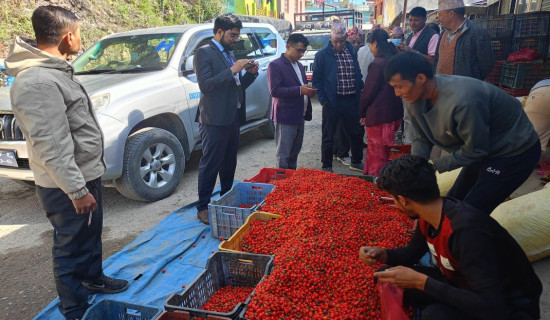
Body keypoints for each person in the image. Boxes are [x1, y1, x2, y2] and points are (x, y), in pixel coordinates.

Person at [5, 6, 129, 320]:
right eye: (79, 34)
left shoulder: (53, 71)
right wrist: (76, 190)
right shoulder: (37, 82)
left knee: (89, 233)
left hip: (83, 174)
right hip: (65, 184)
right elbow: (52, 145)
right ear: (69, 36)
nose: (80, 40)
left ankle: (93, 278)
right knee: (70, 245)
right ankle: (74, 308)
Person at [359, 155, 542, 320]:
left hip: (508, 308)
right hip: (463, 284)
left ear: (403, 200)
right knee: (386, 275)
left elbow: (491, 306)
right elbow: (411, 253)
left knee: (435, 316)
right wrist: (382, 254)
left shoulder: (466, 232)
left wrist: (421, 282)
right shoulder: (431, 214)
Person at [385, 51, 541, 214]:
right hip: (480, 149)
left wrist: (433, 166)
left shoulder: (464, 101)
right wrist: (416, 167)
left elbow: (475, 151)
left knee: (470, 211)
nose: (397, 93)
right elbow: (421, 138)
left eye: (399, 86)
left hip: (514, 151)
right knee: (454, 200)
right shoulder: (414, 98)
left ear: (420, 79)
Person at [194, 14, 259, 224]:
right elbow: (206, 86)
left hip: (232, 117)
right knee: (211, 163)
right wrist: (233, 70)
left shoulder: (230, 54)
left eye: (237, 37)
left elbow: (235, 87)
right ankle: (203, 207)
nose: (235, 40)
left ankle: (225, 198)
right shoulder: (204, 53)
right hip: (213, 119)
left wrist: (250, 74)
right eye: (232, 35)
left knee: (229, 162)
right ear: (219, 32)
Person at [312, 19, 365, 173]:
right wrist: (323, 100)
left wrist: (360, 87)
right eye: (336, 41)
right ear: (330, 39)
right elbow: (317, 80)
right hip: (332, 102)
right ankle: (326, 165)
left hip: (351, 100)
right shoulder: (322, 55)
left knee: (356, 132)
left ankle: (356, 161)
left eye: (342, 41)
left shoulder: (351, 50)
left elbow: (357, 72)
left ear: (346, 38)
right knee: (329, 135)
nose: (339, 44)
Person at [359, 29, 403, 176]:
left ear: (375, 43)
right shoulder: (395, 59)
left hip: (379, 117)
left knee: (378, 155)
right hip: (394, 115)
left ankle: (378, 186)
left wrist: (361, 112)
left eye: (370, 46)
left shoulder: (378, 64)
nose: (371, 50)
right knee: (385, 152)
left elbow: (368, 93)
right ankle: (379, 180)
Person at [267, 33, 315, 169]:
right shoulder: (275, 65)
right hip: (286, 116)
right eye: (299, 50)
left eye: (303, 51)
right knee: (284, 155)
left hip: (300, 114)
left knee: (294, 153)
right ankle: (281, 185)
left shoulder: (299, 65)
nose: (301, 54)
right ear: (288, 46)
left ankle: (290, 183)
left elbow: (301, 85)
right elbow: (274, 91)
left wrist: (308, 91)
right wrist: (300, 90)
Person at [397, 6, 440, 145]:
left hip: (422, 85)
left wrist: (411, 51)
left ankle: (416, 147)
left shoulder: (432, 35)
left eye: (416, 20)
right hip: (409, 83)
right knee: (408, 117)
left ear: (424, 19)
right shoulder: (410, 36)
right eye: (410, 20)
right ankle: (408, 144)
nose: (412, 23)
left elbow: (433, 60)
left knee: (419, 118)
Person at [434, 0, 495, 80]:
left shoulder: (477, 34)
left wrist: (472, 82)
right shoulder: (443, 34)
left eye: (440, 14)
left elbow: (487, 64)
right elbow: (436, 59)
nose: (438, 19)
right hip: (442, 87)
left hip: (466, 89)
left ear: (451, 13)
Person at [333, 27, 365, 166]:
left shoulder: (355, 53)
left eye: (358, 42)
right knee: (341, 128)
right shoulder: (333, 54)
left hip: (353, 95)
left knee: (350, 128)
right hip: (338, 97)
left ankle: (343, 153)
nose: (356, 45)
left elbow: (357, 74)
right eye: (353, 42)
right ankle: (341, 152)